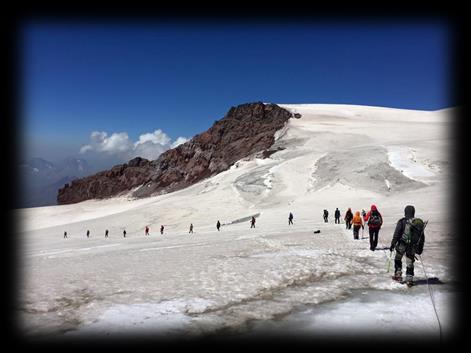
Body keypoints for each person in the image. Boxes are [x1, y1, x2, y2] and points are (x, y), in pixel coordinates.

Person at [390, 205, 425, 286]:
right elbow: (421, 237)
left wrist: (393, 243)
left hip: (402, 244)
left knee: (398, 258)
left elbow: (397, 234)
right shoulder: (417, 223)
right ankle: (409, 279)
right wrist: (420, 248)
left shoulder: (402, 221)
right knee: (410, 262)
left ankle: (398, 274)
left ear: (405, 212)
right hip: (412, 246)